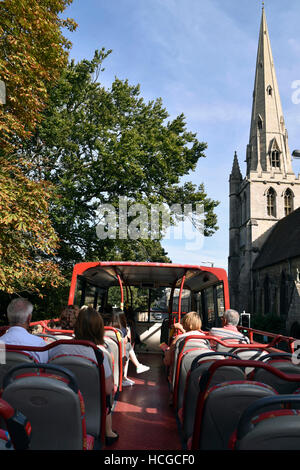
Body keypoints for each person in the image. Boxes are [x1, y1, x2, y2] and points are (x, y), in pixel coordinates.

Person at [48, 305, 119, 445]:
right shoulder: (100, 355)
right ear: (99, 330)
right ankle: (108, 432)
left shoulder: (57, 348)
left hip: (59, 406)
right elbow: (108, 389)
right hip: (91, 411)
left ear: (77, 326)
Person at [163, 311, 210, 384]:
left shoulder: (179, 339)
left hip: (179, 379)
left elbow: (167, 361)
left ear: (184, 324)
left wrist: (167, 351)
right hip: (199, 377)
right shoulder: (205, 339)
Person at [108, 311, 150, 386]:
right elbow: (125, 341)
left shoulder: (107, 328)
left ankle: (126, 375)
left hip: (108, 352)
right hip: (119, 353)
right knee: (128, 346)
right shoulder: (123, 330)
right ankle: (135, 367)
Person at [1, 298, 48, 363]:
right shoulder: (39, 344)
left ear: (8, 317)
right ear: (29, 318)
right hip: (31, 373)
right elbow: (44, 368)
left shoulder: (1, 341)